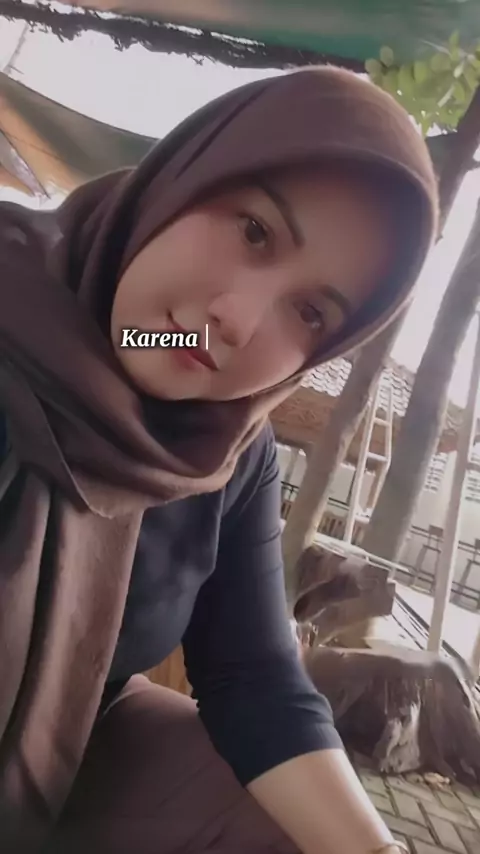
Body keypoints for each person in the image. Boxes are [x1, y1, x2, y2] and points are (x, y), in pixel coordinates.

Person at [0, 65, 437, 854]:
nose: (236, 320)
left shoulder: (229, 454)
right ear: (182, 178)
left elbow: (253, 677)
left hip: (71, 752)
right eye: (255, 231)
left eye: (311, 312)